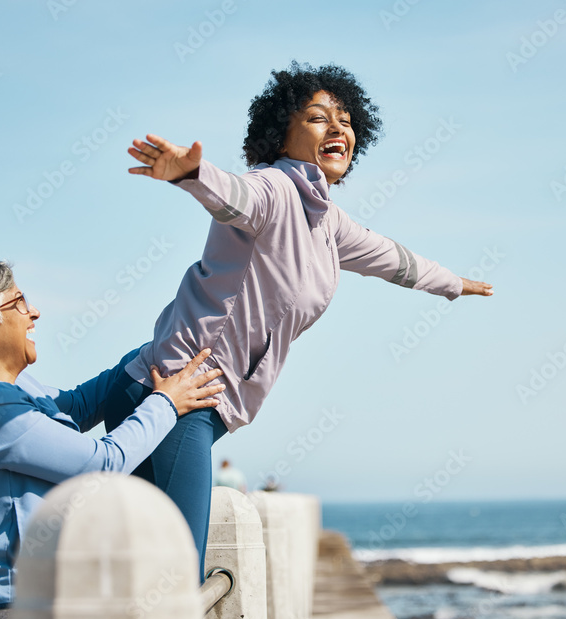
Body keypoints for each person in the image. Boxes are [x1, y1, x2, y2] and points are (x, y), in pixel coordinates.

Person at [106, 61, 493, 577]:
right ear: (279, 135)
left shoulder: (327, 220)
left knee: (145, 568)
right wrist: (191, 174)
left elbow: (392, 258)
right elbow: (235, 197)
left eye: (347, 120)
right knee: (179, 573)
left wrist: (452, 283)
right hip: (183, 395)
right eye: (317, 118)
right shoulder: (274, 188)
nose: (338, 129)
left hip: (201, 404)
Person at [0, 256, 224, 619]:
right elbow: (102, 464)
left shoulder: (11, 392)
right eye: (17, 303)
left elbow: (76, 404)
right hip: (0, 617)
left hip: (14, 609)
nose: (33, 311)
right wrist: (166, 403)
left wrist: (158, 352)